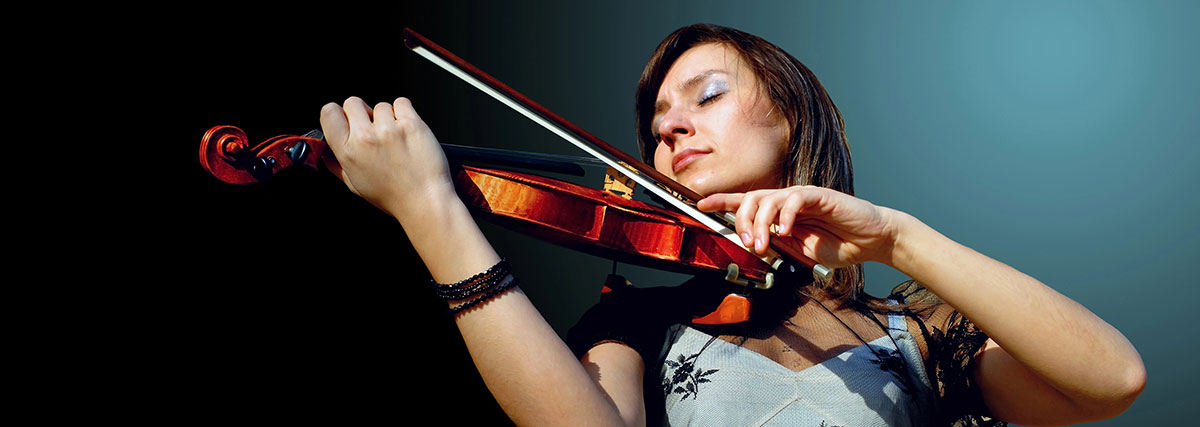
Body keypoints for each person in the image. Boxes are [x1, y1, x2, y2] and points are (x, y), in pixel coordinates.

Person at [317, 24, 1144, 426]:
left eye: (704, 95)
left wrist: (897, 237)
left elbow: (1110, 380)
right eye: (657, 121)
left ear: (791, 115)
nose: (669, 128)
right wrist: (431, 212)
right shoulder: (639, 320)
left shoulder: (919, 329)